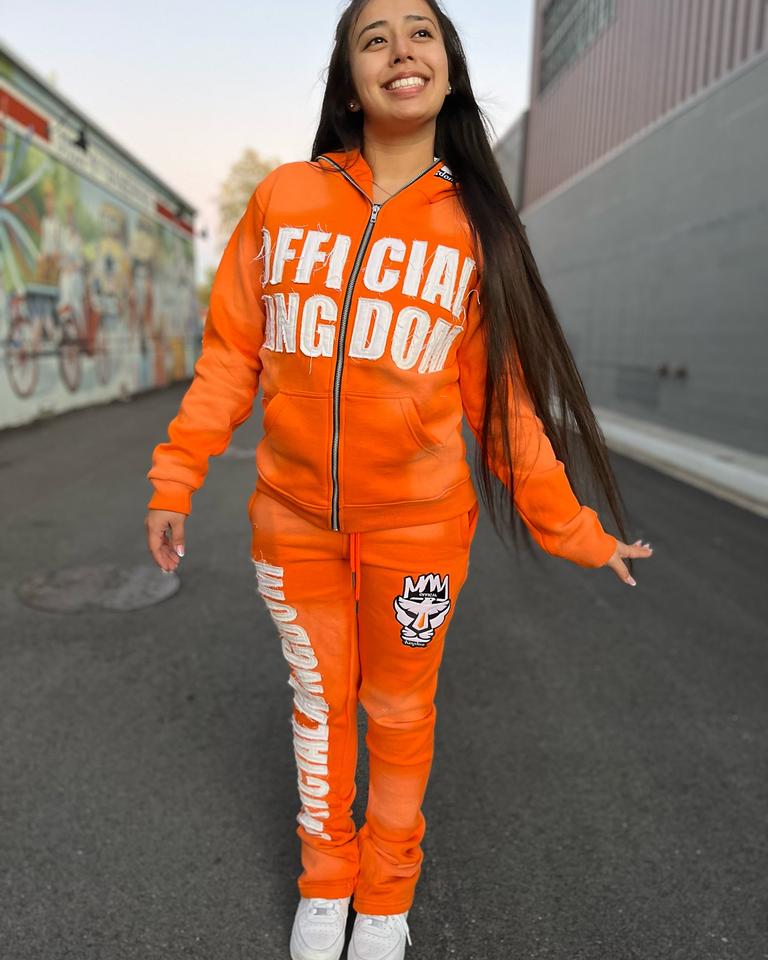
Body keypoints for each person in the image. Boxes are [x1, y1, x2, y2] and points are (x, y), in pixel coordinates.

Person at [144, 1, 654, 957]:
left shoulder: (476, 228)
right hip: (292, 520)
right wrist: (175, 477)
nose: (399, 51)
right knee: (319, 705)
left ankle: (385, 897)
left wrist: (575, 528)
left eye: (420, 34)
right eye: (373, 39)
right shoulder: (284, 199)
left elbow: (503, 409)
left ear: (448, 72)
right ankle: (325, 881)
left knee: (399, 710)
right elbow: (230, 357)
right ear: (349, 83)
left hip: (421, 531)